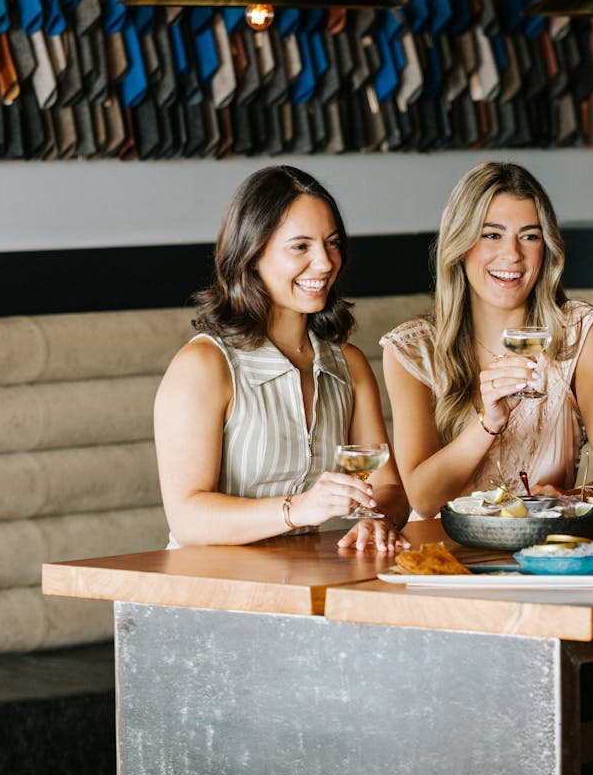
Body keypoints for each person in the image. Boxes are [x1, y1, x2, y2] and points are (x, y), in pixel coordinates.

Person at [154, 166, 410, 551]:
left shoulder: (349, 365)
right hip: (207, 583)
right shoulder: (203, 365)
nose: (325, 263)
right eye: (301, 246)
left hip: (306, 578)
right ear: (252, 254)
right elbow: (187, 519)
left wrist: (377, 520)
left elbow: (389, 488)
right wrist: (298, 509)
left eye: (332, 243)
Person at [380, 162, 593, 517]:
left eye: (530, 236)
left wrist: (572, 498)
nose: (512, 254)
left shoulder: (579, 332)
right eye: (492, 235)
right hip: (441, 550)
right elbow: (424, 499)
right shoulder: (412, 350)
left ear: (546, 247)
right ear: (460, 244)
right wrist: (488, 423)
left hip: (551, 545)